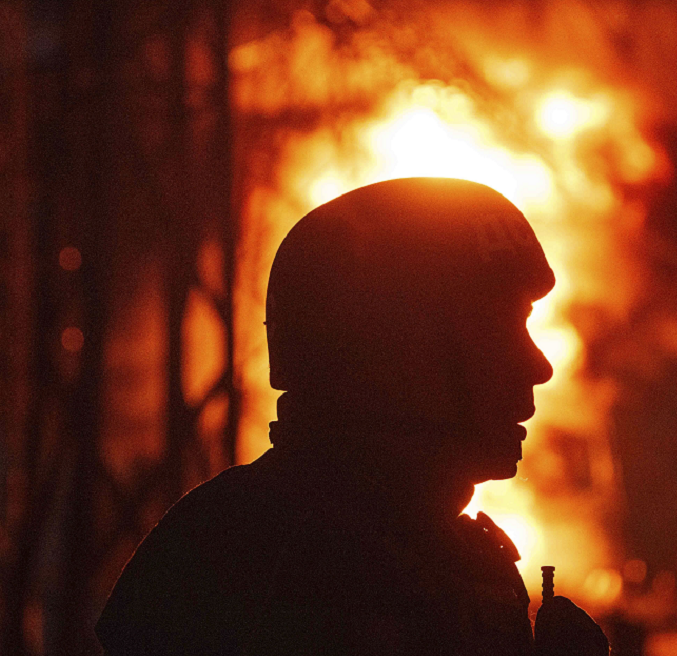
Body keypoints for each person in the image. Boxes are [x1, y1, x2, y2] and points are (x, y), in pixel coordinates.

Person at [96, 177, 608, 656]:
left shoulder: (454, 566)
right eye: (498, 329)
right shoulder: (239, 564)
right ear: (396, 348)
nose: (538, 366)